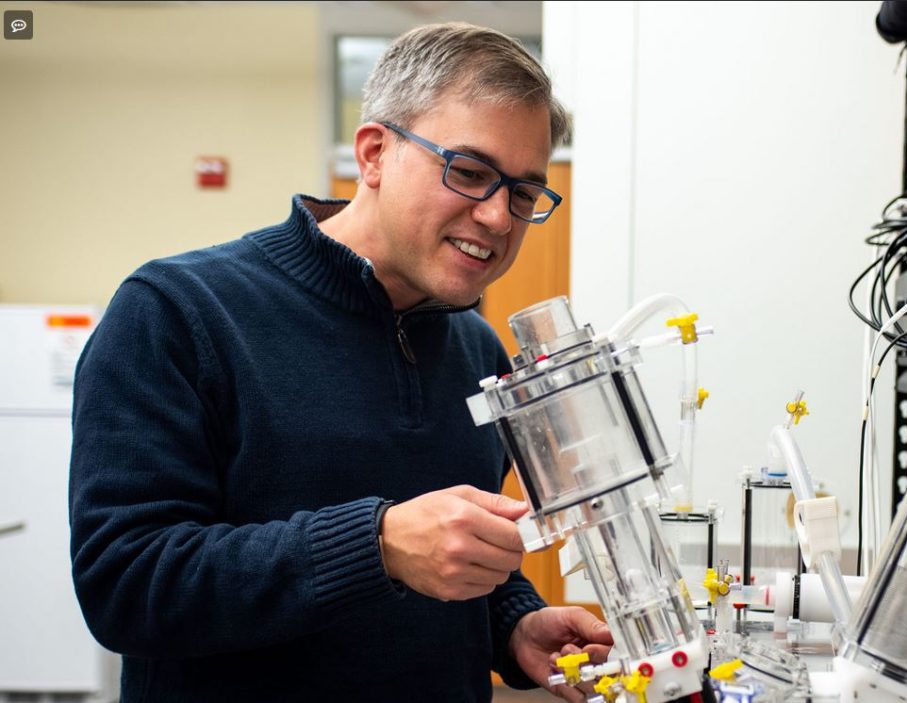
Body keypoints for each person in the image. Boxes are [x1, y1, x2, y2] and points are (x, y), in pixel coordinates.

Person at [68, 21, 613, 703]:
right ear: (375, 153)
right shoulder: (177, 312)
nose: (500, 217)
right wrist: (377, 545)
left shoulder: (477, 349)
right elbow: (124, 584)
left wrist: (513, 621)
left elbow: (450, 561)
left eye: (524, 193)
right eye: (469, 173)